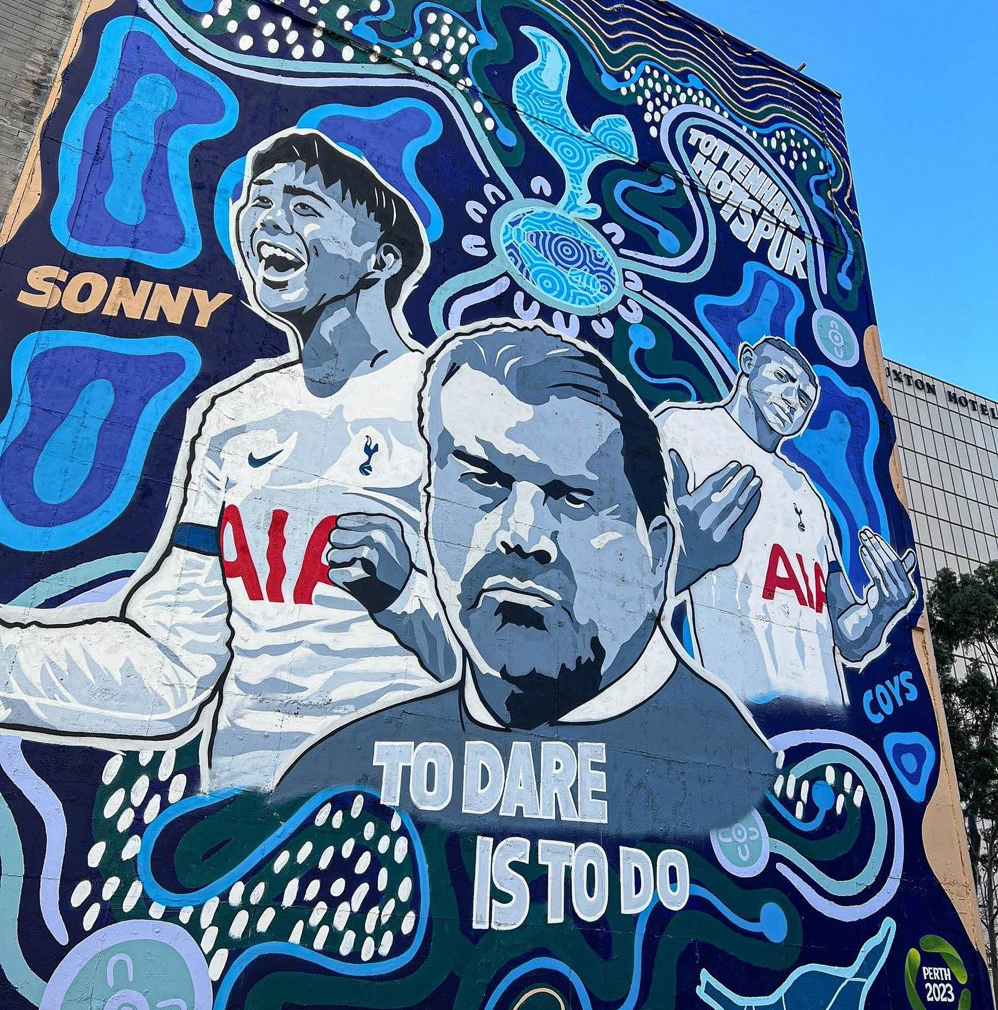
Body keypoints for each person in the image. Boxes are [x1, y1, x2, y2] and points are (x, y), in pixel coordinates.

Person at [0, 129, 456, 790]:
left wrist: (404, 599)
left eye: (304, 206)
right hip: (248, 808)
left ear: (380, 259)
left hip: (404, 801)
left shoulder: (453, 403)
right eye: (258, 202)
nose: (267, 220)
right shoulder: (235, 417)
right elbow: (170, 668)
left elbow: (532, 672)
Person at [280, 322, 773, 840]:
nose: (520, 534)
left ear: (658, 559)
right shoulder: (338, 787)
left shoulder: (746, 792)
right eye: (483, 480)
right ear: (427, 508)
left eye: (573, 498)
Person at [656, 335, 917, 707]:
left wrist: (881, 608)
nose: (793, 400)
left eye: (805, 400)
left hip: (828, 718)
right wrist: (684, 554)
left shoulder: (806, 493)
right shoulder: (682, 431)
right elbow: (628, 567)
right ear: (748, 361)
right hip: (743, 715)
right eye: (782, 377)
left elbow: (847, 636)